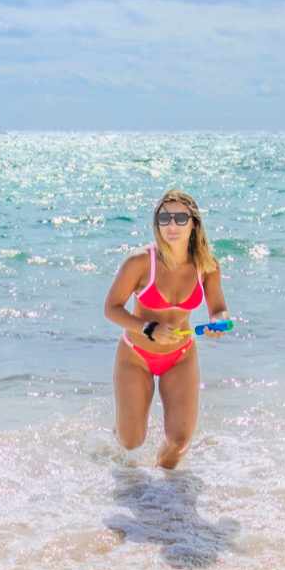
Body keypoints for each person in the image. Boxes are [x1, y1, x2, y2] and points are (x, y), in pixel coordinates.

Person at [104, 189, 230, 469]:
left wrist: (218, 322)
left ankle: (163, 499)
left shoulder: (206, 266)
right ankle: (120, 439)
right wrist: (149, 328)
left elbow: (218, 307)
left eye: (180, 218)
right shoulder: (139, 262)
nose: (171, 225)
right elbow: (111, 308)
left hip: (181, 356)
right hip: (136, 355)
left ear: (193, 223)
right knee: (131, 441)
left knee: (179, 441)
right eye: (164, 218)